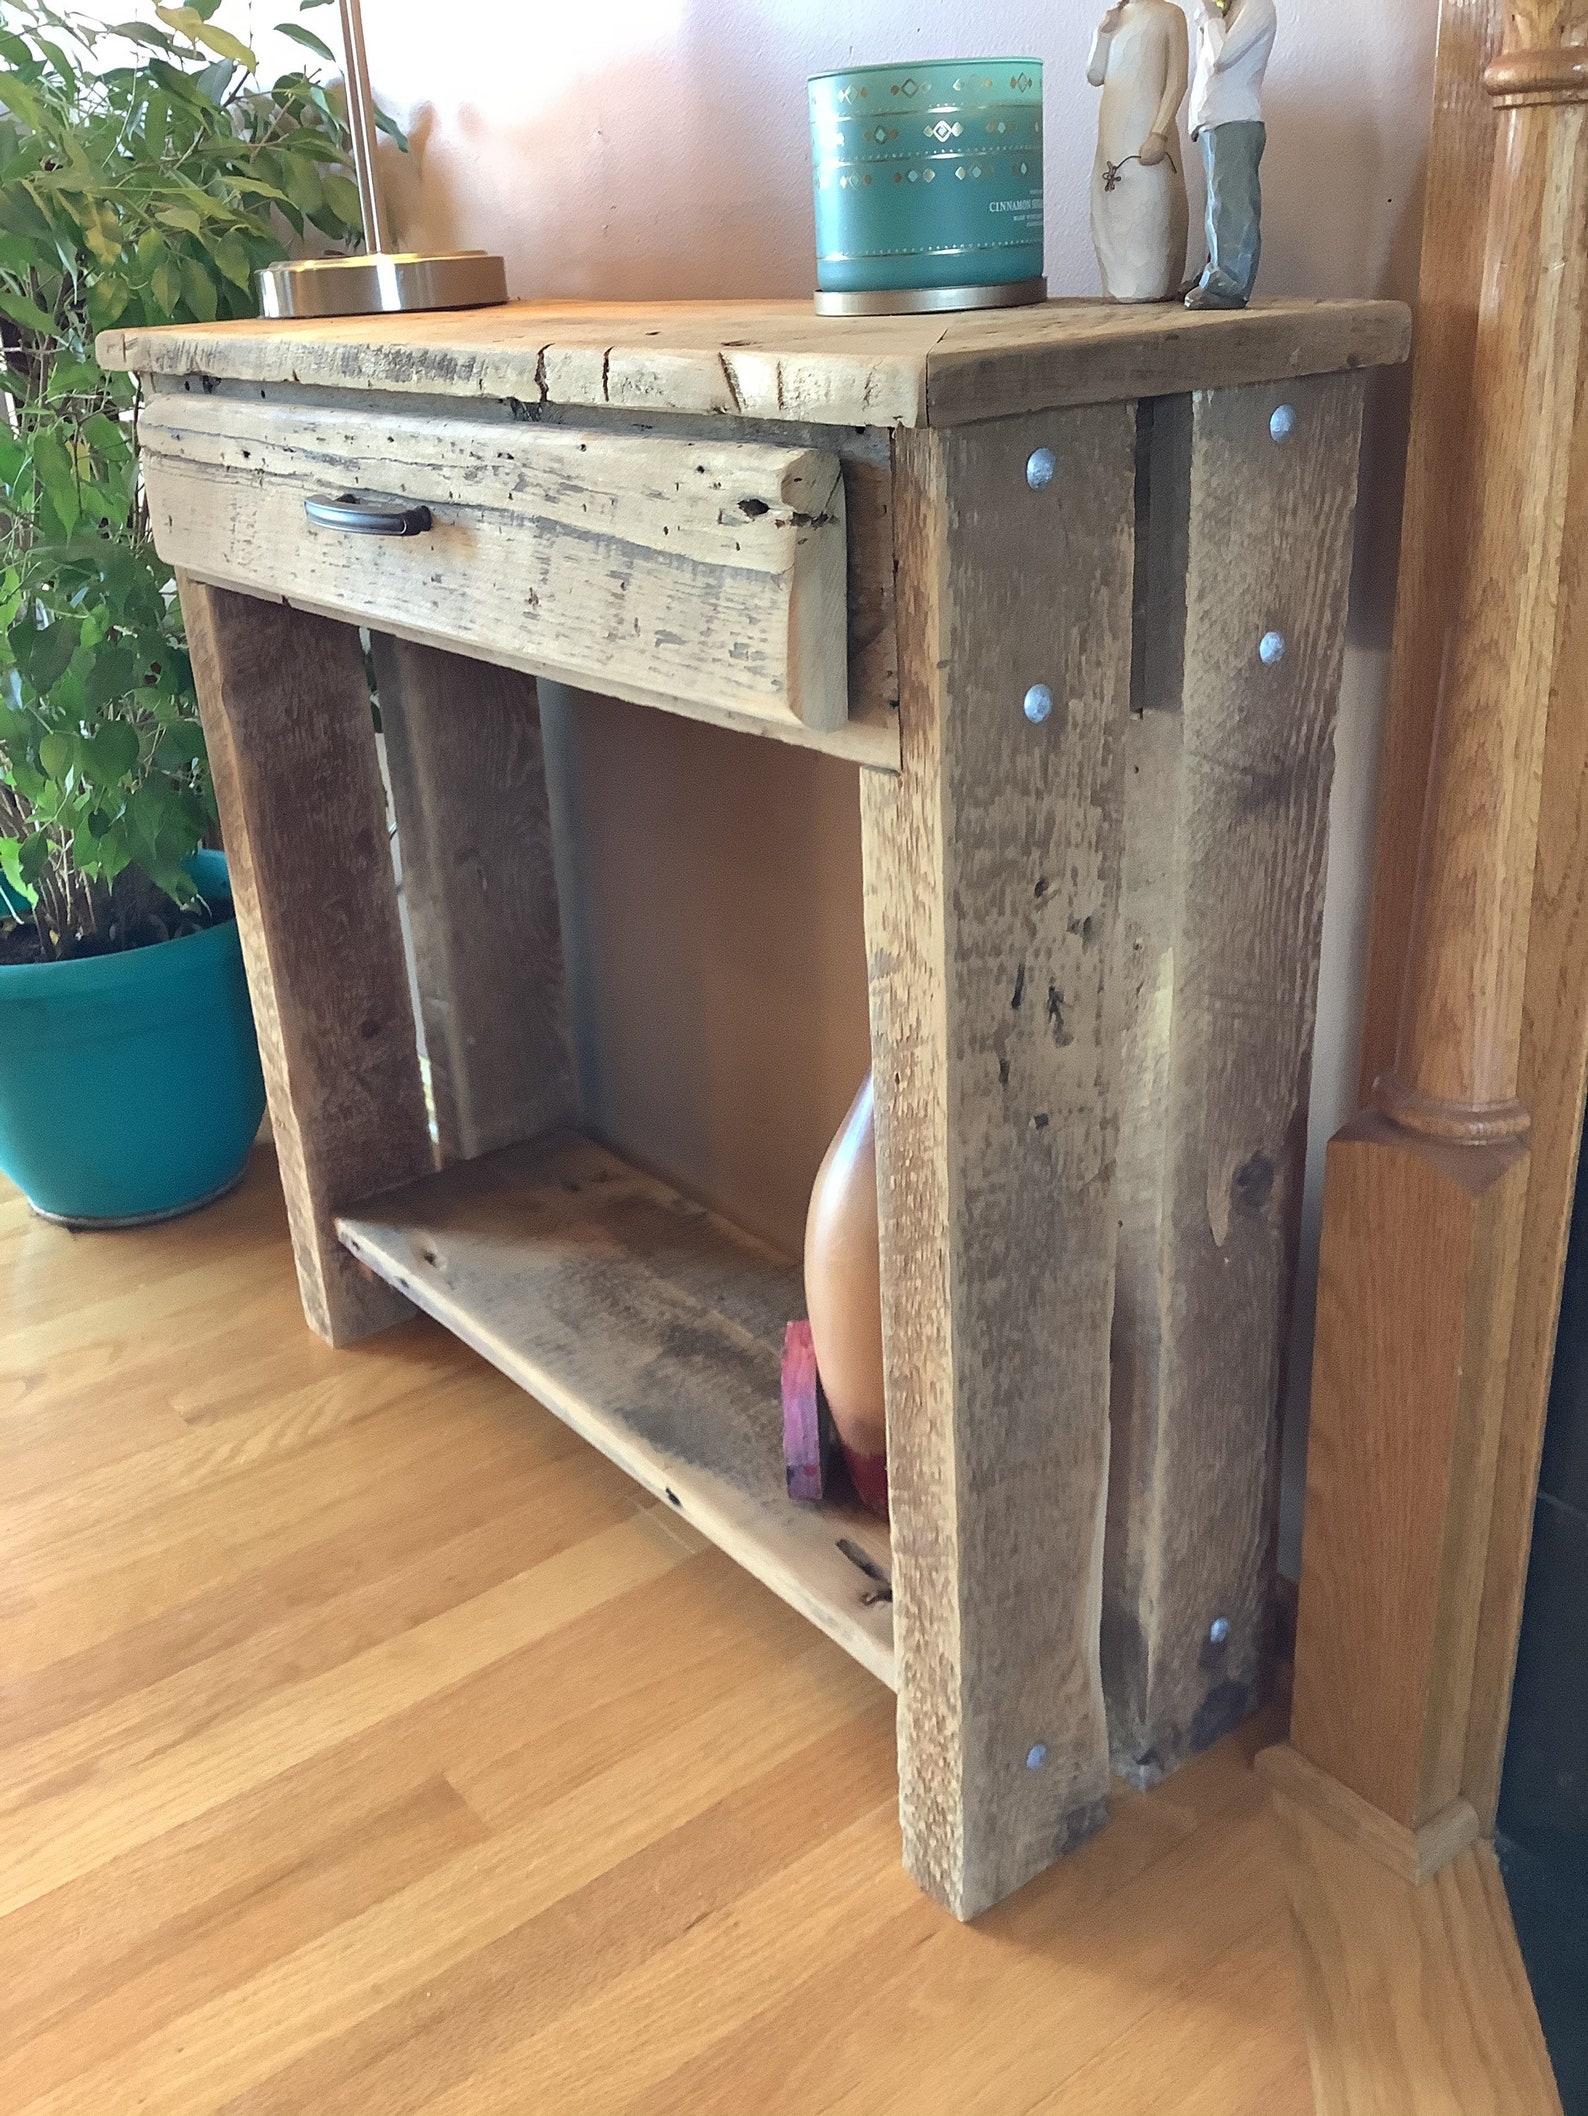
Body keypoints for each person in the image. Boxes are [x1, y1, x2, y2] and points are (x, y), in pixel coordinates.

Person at [1087, 0, 1190, 303]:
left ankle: (1152, 283)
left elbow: (1177, 82)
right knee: (1111, 205)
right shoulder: (1116, 18)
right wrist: (1103, 34)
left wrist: (1159, 132)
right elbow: (1094, 75)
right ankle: (1117, 285)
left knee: (1151, 202)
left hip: (1147, 131)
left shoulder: (1171, 15)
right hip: (1113, 132)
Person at [1185, 0, 1277, 310]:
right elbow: (1206, 66)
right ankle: (1213, 274)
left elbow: (1221, 57)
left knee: (1232, 205)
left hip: (1235, 119)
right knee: (1216, 205)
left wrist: (1210, 17)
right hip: (1216, 121)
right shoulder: (1229, 12)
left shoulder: (1258, 7)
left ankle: (1230, 283)